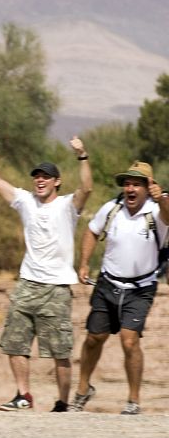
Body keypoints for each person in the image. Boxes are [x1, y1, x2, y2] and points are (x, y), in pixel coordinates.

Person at [0, 128, 92, 412]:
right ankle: (23, 395)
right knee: (15, 342)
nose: (39, 180)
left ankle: (63, 403)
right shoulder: (25, 200)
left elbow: (87, 188)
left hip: (56, 288)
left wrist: (82, 155)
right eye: (36, 176)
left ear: (57, 182)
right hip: (28, 282)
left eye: (45, 176)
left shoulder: (67, 206)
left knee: (60, 351)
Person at [69, 161, 168, 415]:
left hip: (141, 288)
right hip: (107, 283)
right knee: (94, 338)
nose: (130, 188)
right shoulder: (112, 209)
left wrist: (163, 198)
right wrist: (83, 264)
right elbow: (91, 232)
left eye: (136, 183)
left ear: (149, 187)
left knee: (129, 341)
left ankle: (133, 401)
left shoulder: (157, 212)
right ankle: (82, 390)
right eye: (127, 183)